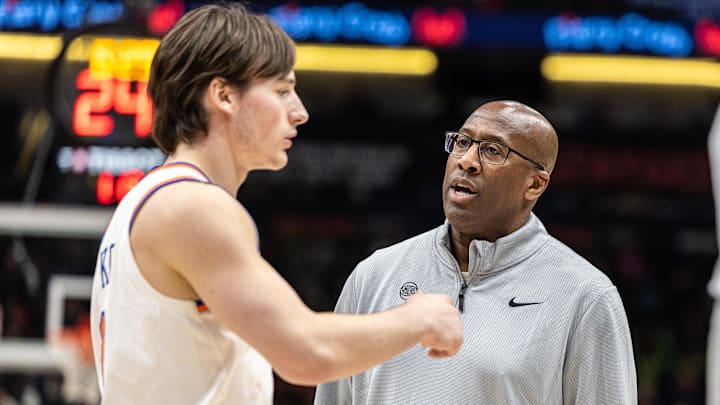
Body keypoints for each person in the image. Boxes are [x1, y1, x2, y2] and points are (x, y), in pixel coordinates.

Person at [88, 3, 463, 404]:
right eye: (282, 91)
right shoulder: (192, 207)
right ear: (224, 95)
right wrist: (419, 318)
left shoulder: (149, 202)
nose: (299, 112)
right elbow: (306, 352)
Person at [314, 100, 637, 404]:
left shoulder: (586, 296)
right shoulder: (374, 275)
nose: (467, 161)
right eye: (462, 143)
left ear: (535, 184)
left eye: (492, 150)